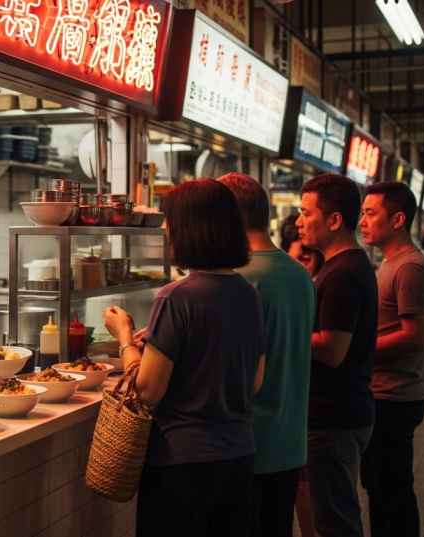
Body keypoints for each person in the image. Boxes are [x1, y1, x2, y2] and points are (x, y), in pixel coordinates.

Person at [103, 179, 265, 537]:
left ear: (191, 228)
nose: (165, 229)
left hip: (183, 466)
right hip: (238, 459)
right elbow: (254, 381)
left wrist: (125, 338)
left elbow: (147, 391)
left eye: (170, 221)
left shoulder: (176, 297)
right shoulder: (248, 294)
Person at [218, 173, 316, 537]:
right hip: (289, 442)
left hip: (250, 444)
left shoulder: (240, 277)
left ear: (229, 216)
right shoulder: (299, 274)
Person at [295, 174, 378, 537]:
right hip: (342, 412)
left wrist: (283, 335)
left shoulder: (342, 273)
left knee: (337, 522)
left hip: (334, 418)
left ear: (333, 220)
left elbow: (332, 349)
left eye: (305, 212)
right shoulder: (343, 265)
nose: (298, 221)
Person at [359, 182, 424, 537]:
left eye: (371, 213)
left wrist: (360, 349)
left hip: (395, 396)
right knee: (381, 488)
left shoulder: (410, 268)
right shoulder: (390, 263)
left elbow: (415, 336)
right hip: (384, 393)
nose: (363, 221)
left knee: (392, 492)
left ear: (398, 219)